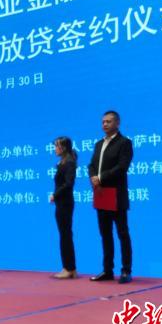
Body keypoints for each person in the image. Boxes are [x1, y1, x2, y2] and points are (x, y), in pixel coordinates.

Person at [88, 111, 134, 284]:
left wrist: (101, 177)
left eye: (108, 121)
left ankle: (126, 270)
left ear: (117, 123)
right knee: (105, 234)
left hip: (116, 195)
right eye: (103, 122)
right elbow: (92, 165)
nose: (104, 124)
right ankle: (107, 270)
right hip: (101, 194)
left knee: (122, 234)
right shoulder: (99, 144)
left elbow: (122, 167)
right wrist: (93, 176)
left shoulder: (124, 142)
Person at [50, 137, 78, 279]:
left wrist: (55, 195)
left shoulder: (69, 163)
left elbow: (68, 184)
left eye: (57, 146)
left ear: (64, 147)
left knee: (65, 235)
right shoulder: (62, 163)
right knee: (64, 234)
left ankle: (69, 268)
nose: (55, 149)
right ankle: (69, 267)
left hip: (65, 203)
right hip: (61, 203)